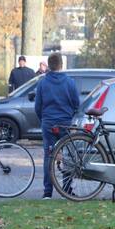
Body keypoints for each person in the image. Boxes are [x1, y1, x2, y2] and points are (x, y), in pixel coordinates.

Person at [34, 53, 80, 199]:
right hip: (65, 123)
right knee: (68, 155)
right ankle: (66, 188)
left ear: (49, 65)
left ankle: (48, 192)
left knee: (49, 156)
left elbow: (37, 106)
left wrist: (43, 119)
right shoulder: (70, 82)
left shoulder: (42, 82)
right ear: (61, 65)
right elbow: (76, 104)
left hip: (48, 123)